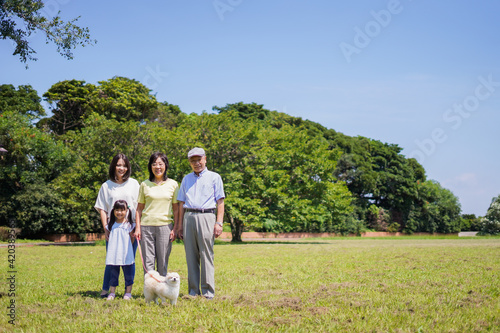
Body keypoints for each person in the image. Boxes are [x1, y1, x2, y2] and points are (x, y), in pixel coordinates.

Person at [174, 147, 225, 299]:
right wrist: (180, 225)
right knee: (191, 256)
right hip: (189, 216)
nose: (196, 163)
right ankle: (193, 291)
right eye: (193, 160)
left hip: (207, 216)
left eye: (199, 159)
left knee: (206, 254)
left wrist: (219, 223)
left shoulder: (214, 177)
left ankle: (208, 292)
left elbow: (220, 201)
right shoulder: (186, 179)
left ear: (205, 159)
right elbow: (181, 201)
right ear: (190, 162)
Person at [94, 153, 140, 298]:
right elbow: (102, 208)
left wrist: (137, 227)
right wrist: (105, 228)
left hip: (130, 229)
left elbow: (139, 207)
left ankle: (128, 291)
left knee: (129, 261)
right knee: (112, 259)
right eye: (119, 165)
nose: (122, 168)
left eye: (125, 165)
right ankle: (106, 289)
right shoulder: (106, 185)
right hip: (113, 229)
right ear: (114, 166)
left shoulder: (134, 184)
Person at [135, 152, 179, 276]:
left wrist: (175, 228)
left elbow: (176, 209)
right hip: (146, 227)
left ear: (165, 165)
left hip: (165, 227)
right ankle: (150, 292)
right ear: (150, 166)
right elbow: (139, 209)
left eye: (160, 164)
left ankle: (162, 290)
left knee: (162, 262)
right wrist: (138, 228)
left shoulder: (173, 185)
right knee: (148, 263)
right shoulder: (144, 184)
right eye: (154, 164)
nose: (157, 167)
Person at [105, 200, 136, 301]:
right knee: (113, 274)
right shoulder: (111, 224)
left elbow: (132, 239)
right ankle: (112, 292)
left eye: (122, 210)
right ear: (113, 211)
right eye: (117, 210)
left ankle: (128, 293)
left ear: (126, 210)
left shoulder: (129, 224)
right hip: (114, 254)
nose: (119, 212)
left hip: (126, 254)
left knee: (128, 274)